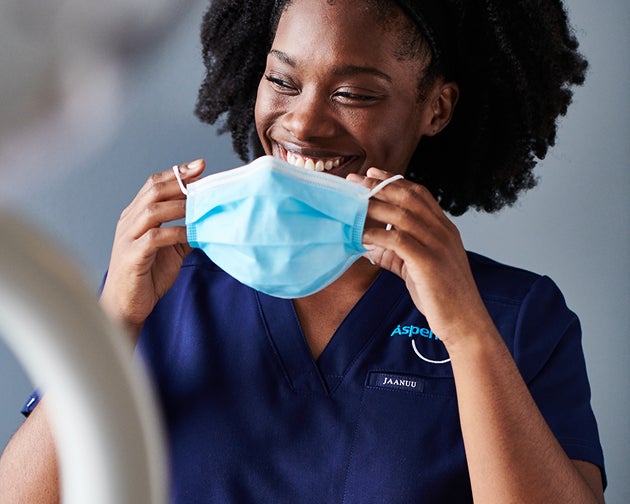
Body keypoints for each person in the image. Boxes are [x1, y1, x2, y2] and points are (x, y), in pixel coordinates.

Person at [0, 0, 606, 502]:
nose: (304, 123)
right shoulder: (161, 287)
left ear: (435, 108)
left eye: (354, 94)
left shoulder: (515, 316)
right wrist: (114, 320)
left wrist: (466, 329)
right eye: (284, 81)